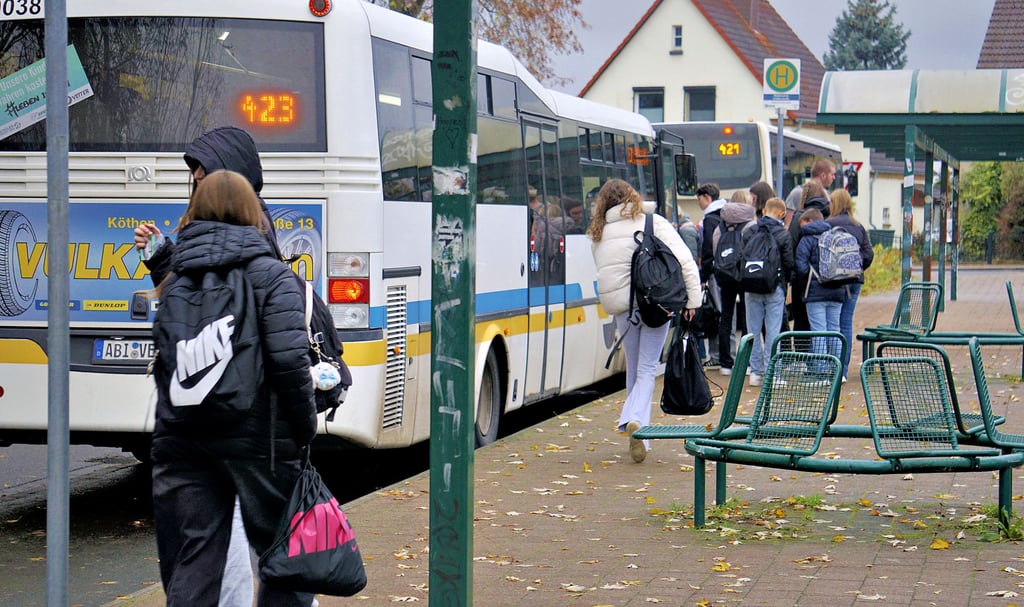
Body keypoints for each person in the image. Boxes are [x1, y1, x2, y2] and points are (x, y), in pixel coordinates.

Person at [149, 170, 317, 607]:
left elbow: (165, 368)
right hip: (261, 442)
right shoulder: (273, 277)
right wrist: (303, 432)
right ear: (252, 212)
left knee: (194, 565)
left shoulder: (175, 283)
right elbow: (289, 361)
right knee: (285, 558)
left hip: (185, 446)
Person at [133, 126, 278, 607]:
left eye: (202, 172)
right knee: (247, 551)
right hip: (225, 427)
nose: (194, 181)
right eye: (193, 172)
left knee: (228, 552)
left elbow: (224, 315)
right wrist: (161, 259)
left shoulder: (256, 242)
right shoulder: (211, 240)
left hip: (224, 424)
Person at [588, 179, 700, 463]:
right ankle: (635, 421)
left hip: (624, 309)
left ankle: (641, 435)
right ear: (632, 197)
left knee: (634, 368)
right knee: (648, 368)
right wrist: (693, 301)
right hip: (655, 303)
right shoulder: (653, 222)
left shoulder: (599, 231)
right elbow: (685, 260)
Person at [743, 198, 794, 386]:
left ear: (764, 210)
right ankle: (773, 373)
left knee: (753, 330)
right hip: (775, 287)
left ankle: (755, 373)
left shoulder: (749, 231)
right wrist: (785, 282)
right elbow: (789, 263)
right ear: (781, 213)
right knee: (773, 331)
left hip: (751, 285)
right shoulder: (783, 234)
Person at [827, 188, 874, 381]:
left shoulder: (828, 224)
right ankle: (844, 370)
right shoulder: (858, 226)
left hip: (835, 281)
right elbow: (869, 253)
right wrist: (857, 268)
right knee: (846, 322)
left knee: (832, 324)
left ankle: (833, 365)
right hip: (855, 280)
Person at [711, 192, 756, 376]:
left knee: (726, 317)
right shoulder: (751, 225)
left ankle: (725, 363)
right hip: (744, 275)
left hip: (724, 275)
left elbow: (714, 251)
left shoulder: (719, 227)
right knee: (747, 317)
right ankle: (746, 362)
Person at [795, 208, 845, 365]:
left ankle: (821, 370)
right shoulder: (835, 236)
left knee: (818, 331)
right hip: (837, 290)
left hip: (815, 293)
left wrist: (804, 285)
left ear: (810, 221)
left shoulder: (807, 239)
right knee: (834, 331)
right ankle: (838, 370)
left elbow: (801, 267)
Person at [788, 182, 831, 333]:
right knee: (829, 325)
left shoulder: (800, 216)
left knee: (802, 322)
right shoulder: (829, 216)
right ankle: (831, 356)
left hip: (804, 281)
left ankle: (804, 355)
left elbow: (791, 245)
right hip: (831, 279)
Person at [697, 183, 727, 368]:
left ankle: (717, 355)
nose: (698, 202)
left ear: (707, 197)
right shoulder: (725, 214)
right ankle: (722, 355)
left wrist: (704, 276)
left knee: (717, 313)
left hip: (715, 273)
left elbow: (708, 249)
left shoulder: (709, 220)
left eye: (699, 198)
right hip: (727, 269)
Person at [785, 159, 836, 228]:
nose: (834, 177)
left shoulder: (796, 192)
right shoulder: (798, 193)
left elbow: (788, 224)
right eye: (832, 174)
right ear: (823, 175)